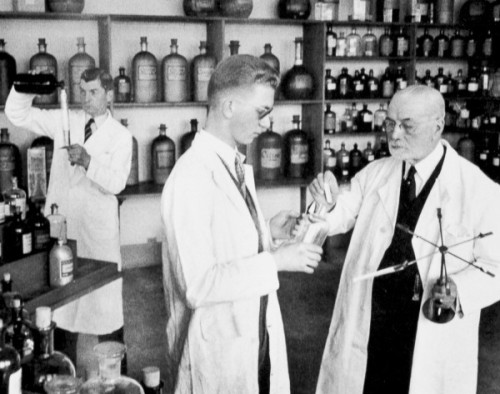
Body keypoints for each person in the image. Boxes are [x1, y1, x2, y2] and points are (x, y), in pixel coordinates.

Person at [310, 85, 500, 394]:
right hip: (373, 324)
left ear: (437, 126)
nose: (394, 134)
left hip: (427, 331)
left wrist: (459, 290)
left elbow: (495, 267)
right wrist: (326, 200)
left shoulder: (479, 190)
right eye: (389, 123)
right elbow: (338, 213)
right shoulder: (377, 173)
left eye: (406, 125)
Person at [161, 54, 323, 394]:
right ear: (230, 106)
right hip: (216, 346)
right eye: (262, 112)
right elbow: (198, 285)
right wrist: (277, 262)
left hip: (252, 329)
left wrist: (266, 230)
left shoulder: (231, 161)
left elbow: (222, 238)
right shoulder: (191, 176)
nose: (267, 123)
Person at [5, 68, 132, 370]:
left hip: (96, 234)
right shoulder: (67, 120)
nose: (86, 99)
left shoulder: (121, 137)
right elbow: (17, 115)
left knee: (106, 311)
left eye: (94, 92)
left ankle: (119, 378)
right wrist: (26, 84)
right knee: (61, 308)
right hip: (62, 225)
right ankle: (61, 376)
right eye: (83, 91)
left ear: (109, 94)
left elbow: (116, 184)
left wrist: (88, 161)